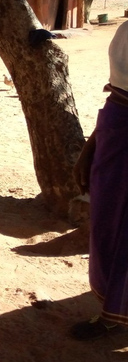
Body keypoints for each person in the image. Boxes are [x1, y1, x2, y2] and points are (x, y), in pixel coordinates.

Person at [70, 20, 128, 341]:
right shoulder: (124, 32)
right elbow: (117, 93)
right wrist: (90, 147)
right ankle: (112, 310)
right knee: (108, 222)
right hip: (114, 131)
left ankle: (114, 315)